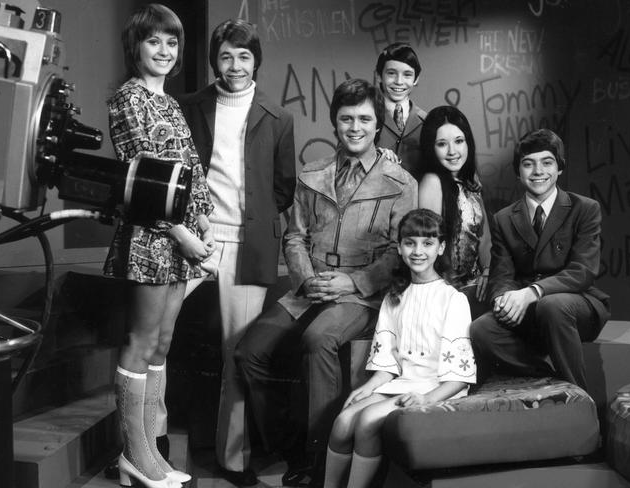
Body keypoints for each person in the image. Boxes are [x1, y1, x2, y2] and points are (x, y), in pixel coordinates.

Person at [235, 79, 417, 487]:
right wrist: (305, 279)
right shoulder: (312, 173)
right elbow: (294, 235)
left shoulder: (400, 182)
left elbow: (398, 252)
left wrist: (352, 282)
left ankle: (320, 464)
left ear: (378, 124)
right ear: (335, 122)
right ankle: (294, 449)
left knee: (319, 339)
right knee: (249, 353)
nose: (355, 127)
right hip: (309, 288)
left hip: (362, 297)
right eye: (346, 118)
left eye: (365, 119)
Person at [177, 18, 296, 486]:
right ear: (214, 61)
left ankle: (233, 460)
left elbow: (282, 188)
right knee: (154, 339)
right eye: (226, 56)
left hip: (248, 245)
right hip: (192, 238)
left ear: (256, 61)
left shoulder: (279, 117)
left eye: (244, 56)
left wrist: (256, 219)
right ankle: (151, 449)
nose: (235, 65)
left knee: (236, 353)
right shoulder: (191, 107)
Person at [104, 4, 215, 488]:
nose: (165, 51)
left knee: (162, 344)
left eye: (172, 43)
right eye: (155, 42)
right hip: (150, 239)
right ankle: (135, 455)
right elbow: (140, 180)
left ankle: (151, 452)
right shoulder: (127, 99)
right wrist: (183, 234)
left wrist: (205, 221)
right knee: (141, 341)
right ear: (137, 47)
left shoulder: (170, 103)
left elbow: (192, 169)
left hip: (182, 242)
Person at [323, 208, 476, 488]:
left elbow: (457, 378)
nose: (418, 251)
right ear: (400, 247)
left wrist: (428, 399)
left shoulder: (453, 299)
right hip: (401, 383)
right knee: (343, 422)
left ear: (441, 248)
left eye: (428, 243)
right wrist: (368, 388)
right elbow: (387, 364)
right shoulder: (395, 296)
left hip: (435, 386)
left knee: (367, 421)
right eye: (410, 243)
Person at [470, 129, 611, 389]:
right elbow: (502, 275)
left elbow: (583, 271)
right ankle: (549, 378)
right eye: (528, 164)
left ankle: (578, 397)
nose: (538, 171)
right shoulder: (503, 218)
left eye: (547, 162)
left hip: (576, 306)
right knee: (481, 329)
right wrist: (503, 299)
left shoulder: (585, 209)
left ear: (559, 169)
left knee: (552, 306)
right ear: (517, 171)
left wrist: (533, 292)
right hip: (529, 313)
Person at [418, 105, 491, 319]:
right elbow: (427, 248)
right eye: (442, 144)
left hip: (477, 286)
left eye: (459, 141)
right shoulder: (432, 183)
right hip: (445, 291)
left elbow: (485, 239)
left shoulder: (470, 182)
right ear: (431, 148)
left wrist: (488, 272)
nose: (452, 151)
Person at [374, 42, 426, 180]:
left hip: (417, 199)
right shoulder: (364, 117)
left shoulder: (427, 121)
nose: (399, 81)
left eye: (407, 75)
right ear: (379, 76)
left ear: (416, 79)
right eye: (391, 73)